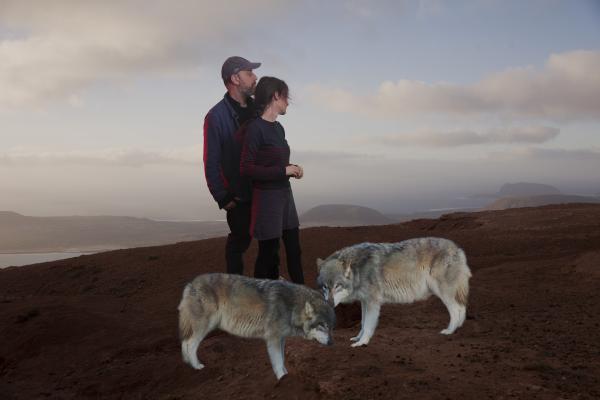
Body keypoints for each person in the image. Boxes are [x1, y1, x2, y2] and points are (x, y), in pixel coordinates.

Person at [240, 77, 304, 284]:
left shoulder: (278, 128)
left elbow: (276, 163)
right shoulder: (255, 129)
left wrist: (292, 169)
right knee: (268, 254)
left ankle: (303, 297)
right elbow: (246, 168)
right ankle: (257, 304)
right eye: (286, 96)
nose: (288, 102)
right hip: (267, 199)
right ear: (275, 95)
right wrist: (283, 171)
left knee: (294, 249)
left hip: (285, 196)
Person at [203, 56, 261, 275]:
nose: (255, 77)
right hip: (238, 196)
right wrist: (223, 196)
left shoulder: (259, 109)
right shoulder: (216, 116)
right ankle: (235, 291)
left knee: (270, 242)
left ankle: (268, 292)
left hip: (262, 189)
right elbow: (211, 159)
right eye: (249, 73)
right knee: (240, 241)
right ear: (235, 78)